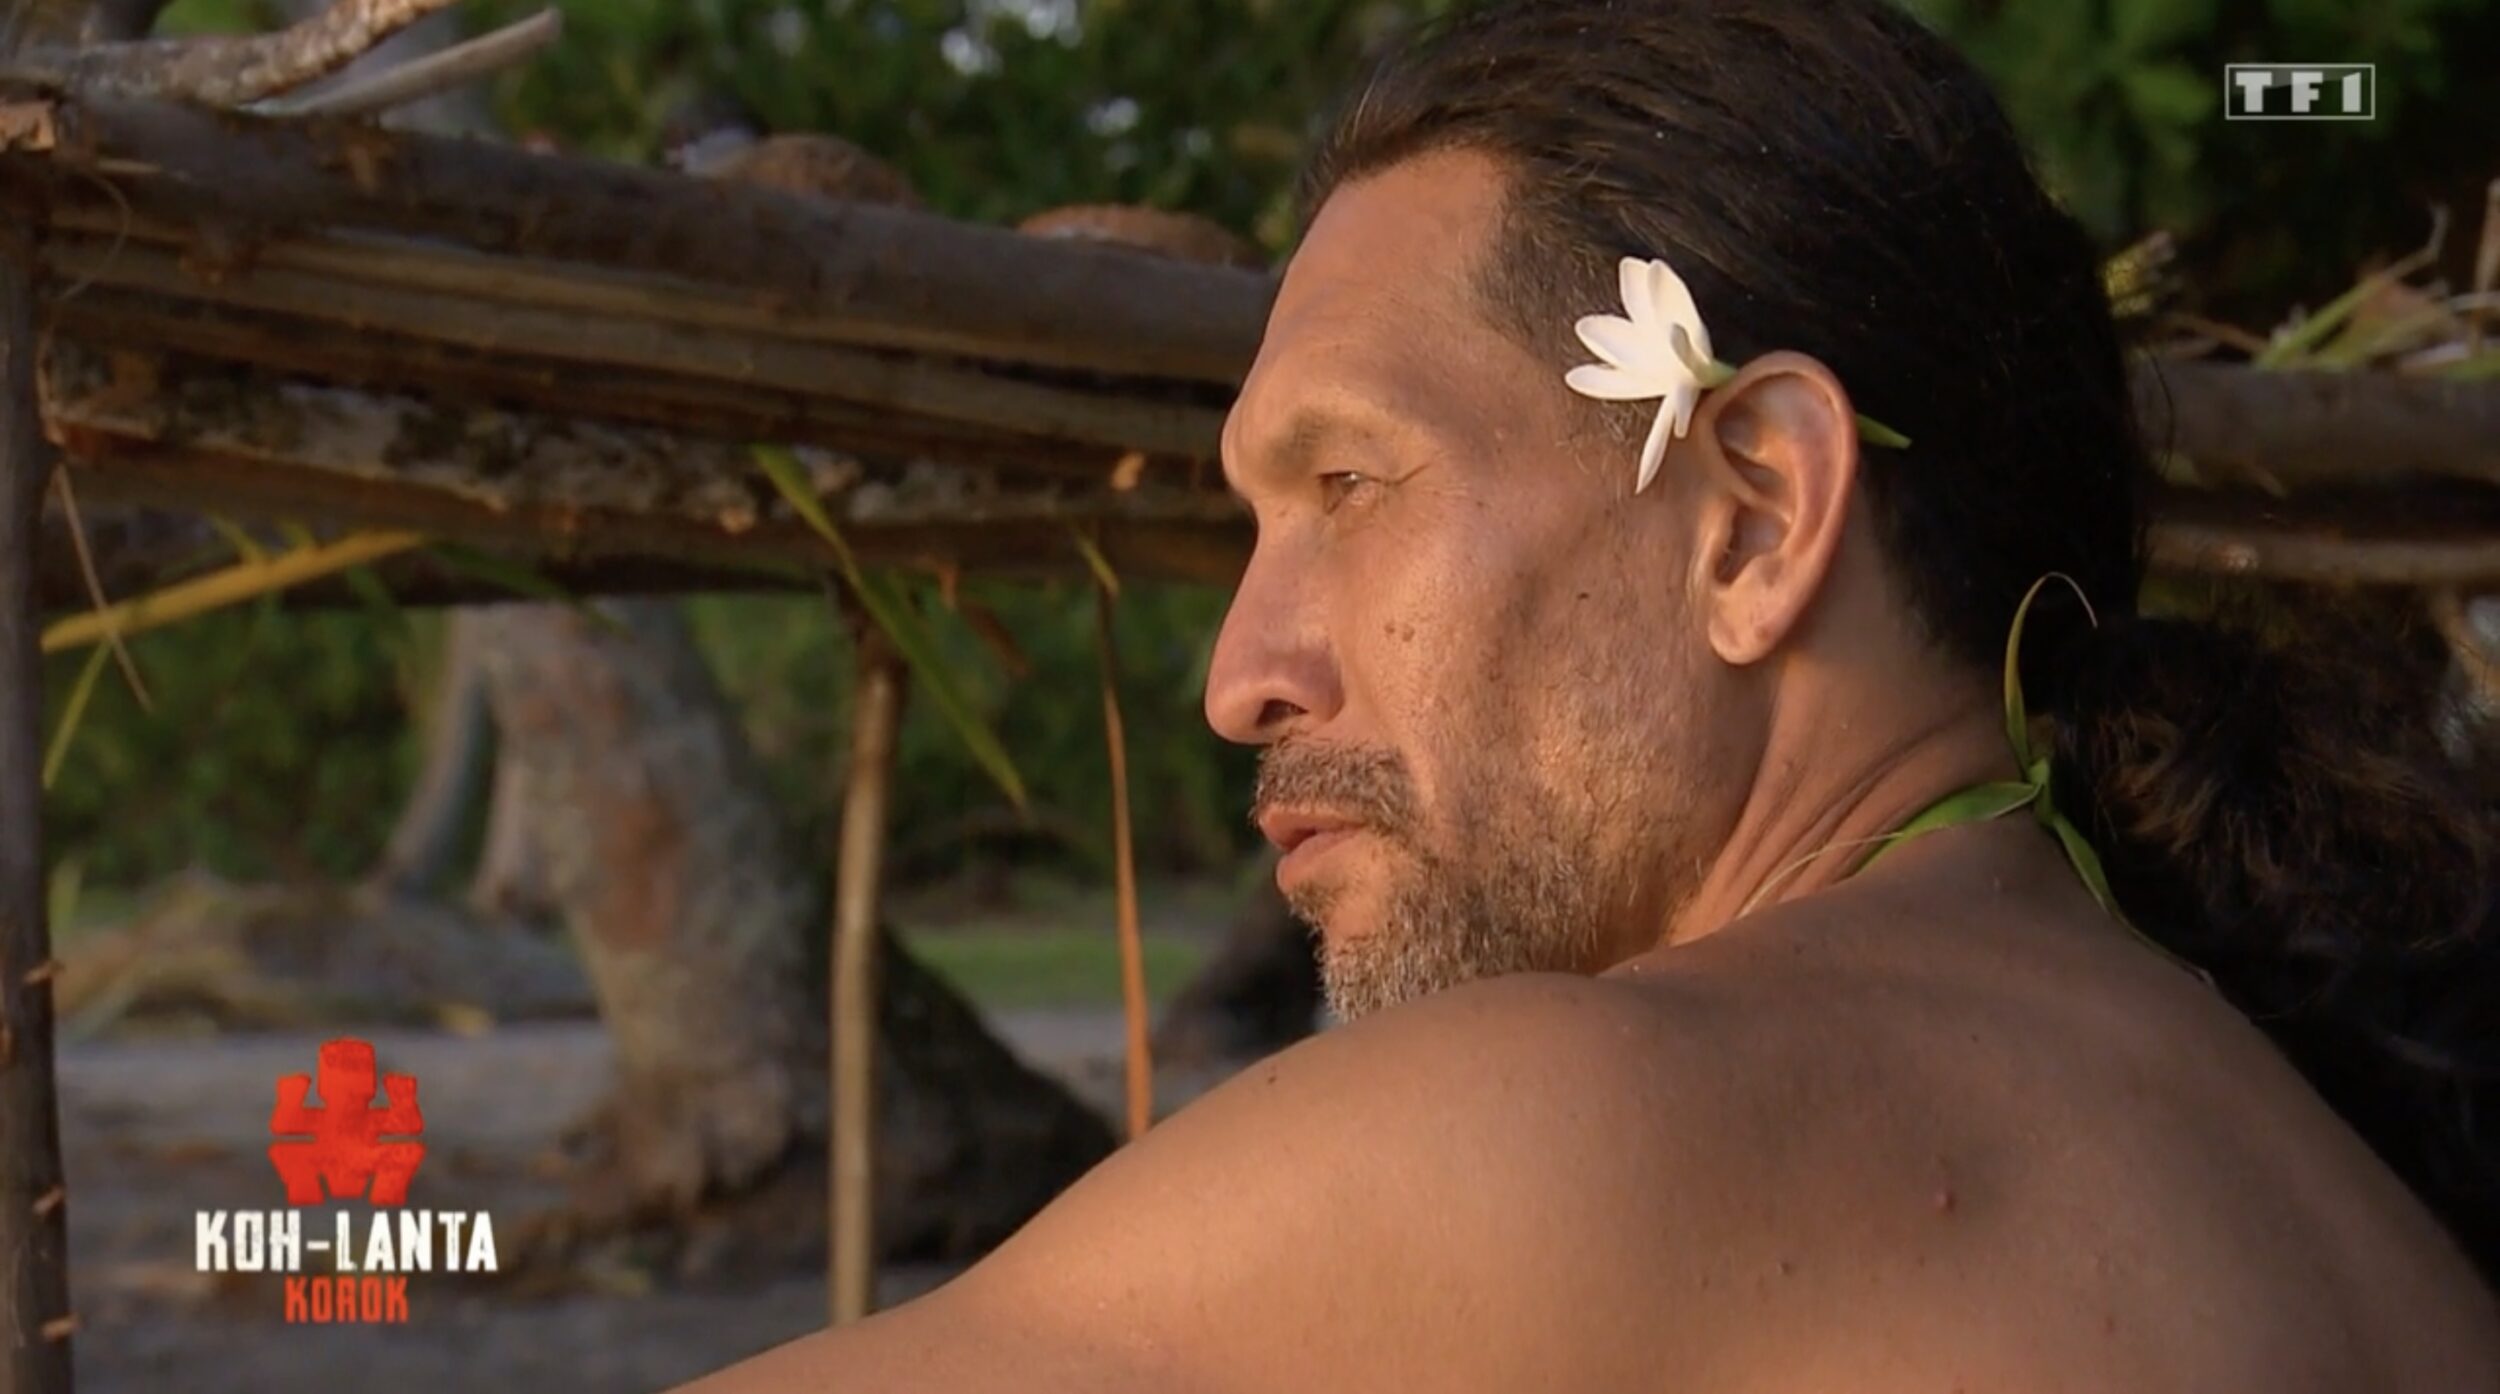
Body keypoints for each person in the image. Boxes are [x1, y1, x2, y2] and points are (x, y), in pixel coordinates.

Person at [680, 1, 2500, 1388]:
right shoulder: (2347, 1195)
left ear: (1757, 512)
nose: (1243, 674)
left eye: (1351, 485)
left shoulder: (1566, 1130)